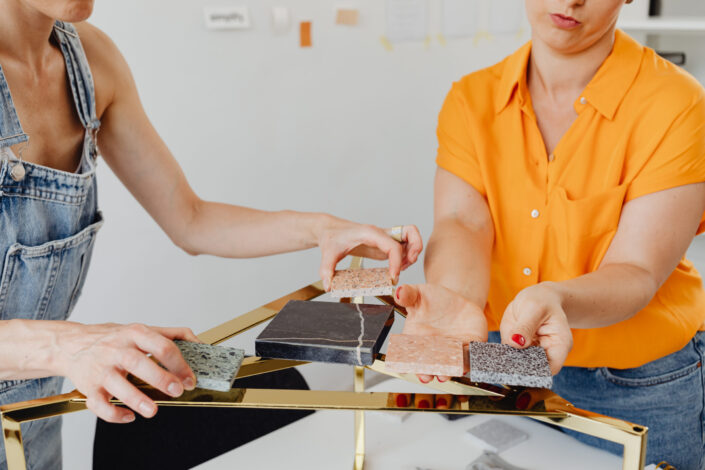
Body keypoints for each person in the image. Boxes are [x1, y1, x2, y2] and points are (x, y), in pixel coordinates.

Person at [0, 1, 422, 468]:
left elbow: (190, 219)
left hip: (29, 427)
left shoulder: (92, 62)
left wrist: (322, 230)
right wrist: (66, 345)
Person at [395, 0, 705, 468]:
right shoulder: (471, 98)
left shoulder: (678, 105)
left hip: (636, 384)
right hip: (505, 359)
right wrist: (456, 299)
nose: (569, 0)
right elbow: (465, 222)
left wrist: (557, 298)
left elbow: (638, 268)